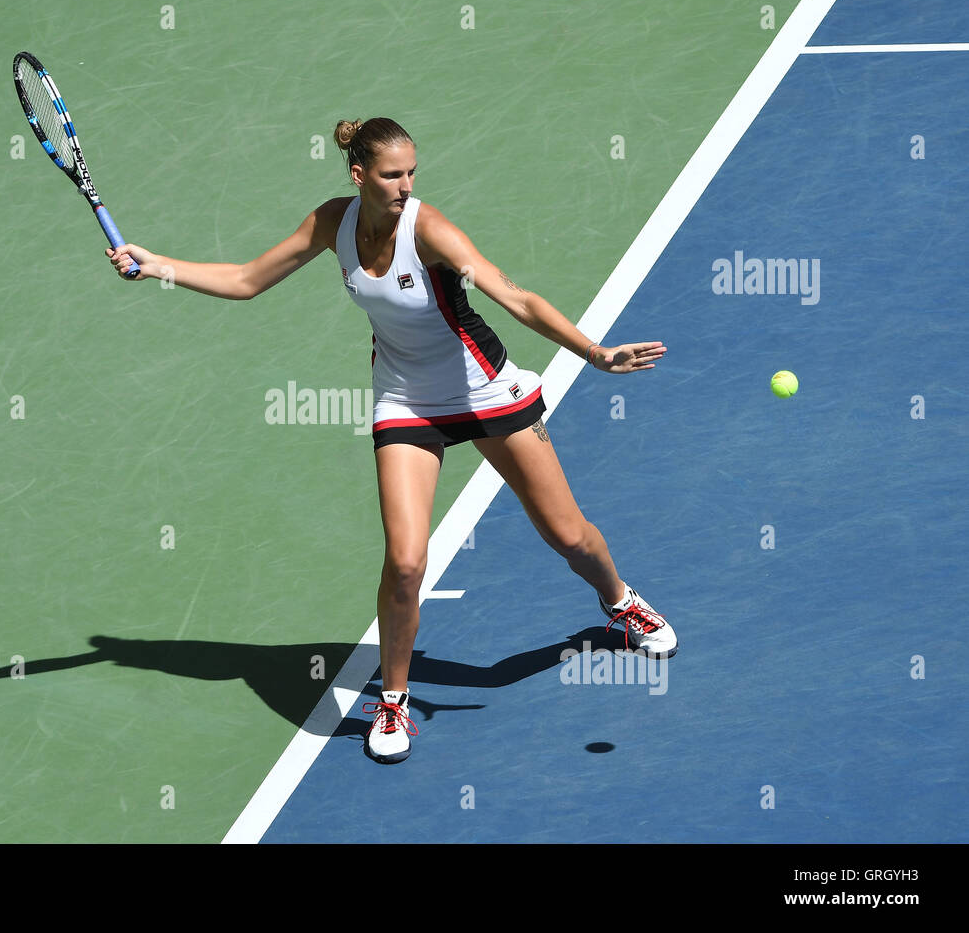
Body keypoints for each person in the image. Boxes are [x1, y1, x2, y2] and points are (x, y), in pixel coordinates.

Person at [105, 117, 677, 764]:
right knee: (405, 563)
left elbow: (513, 297)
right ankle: (394, 700)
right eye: (391, 175)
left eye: (411, 173)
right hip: (406, 400)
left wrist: (594, 354)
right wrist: (157, 266)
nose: (405, 186)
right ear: (358, 176)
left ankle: (620, 602)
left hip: (484, 390)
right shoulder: (332, 223)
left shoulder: (428, 229)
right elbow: (245, 280)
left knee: (568, 535)